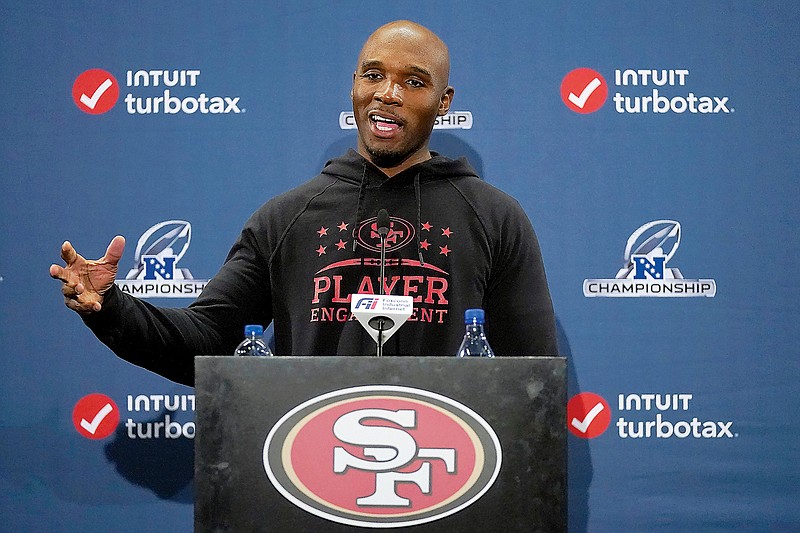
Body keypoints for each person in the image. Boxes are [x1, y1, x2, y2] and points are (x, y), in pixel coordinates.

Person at [50, 20, 557, 386]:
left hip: (453, 479)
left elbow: (534, 377)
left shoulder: (495, 218)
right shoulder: (285, 219)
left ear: (444, 102)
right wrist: (109, 308)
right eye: (373, 75)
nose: (388, 93)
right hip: (311, 476)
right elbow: (204, 343)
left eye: (414, 82)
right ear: (354, 86)